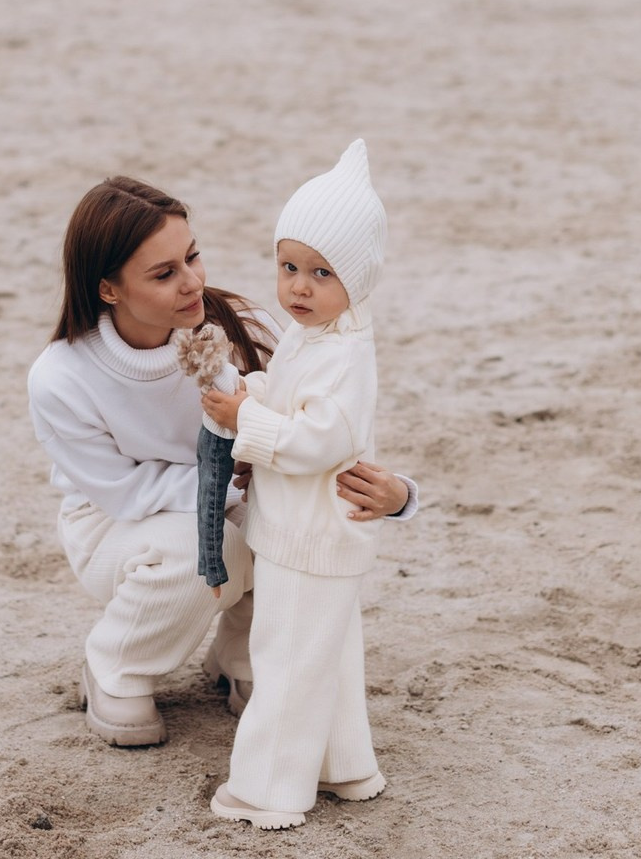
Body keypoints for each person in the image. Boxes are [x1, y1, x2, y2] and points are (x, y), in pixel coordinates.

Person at [27, 174, 416, 749]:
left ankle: (241, 656)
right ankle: (117, 664)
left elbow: (322, 431)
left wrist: (399, 496)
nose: (193, 284)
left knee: (293, 535)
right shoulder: (61, 378)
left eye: (192, 257)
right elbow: (125, 493)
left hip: (239, 498)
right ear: (109, 289)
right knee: (219, 543)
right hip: (118, 526)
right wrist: (243, 490)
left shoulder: (242, 327)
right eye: (164, 274)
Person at [202, 140, 395, 830]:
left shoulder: (344, 352)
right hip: (307, 532)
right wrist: (251, 390)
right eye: (288, 267)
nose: (299, 287)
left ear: (360, 278)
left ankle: (268, 791)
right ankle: (345, 768)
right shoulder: (312, 334)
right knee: (327, 656)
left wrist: (245, 418)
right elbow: (289, 399)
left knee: (285, 660)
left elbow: (321, 440)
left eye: (321, 272)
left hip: (310, 534)